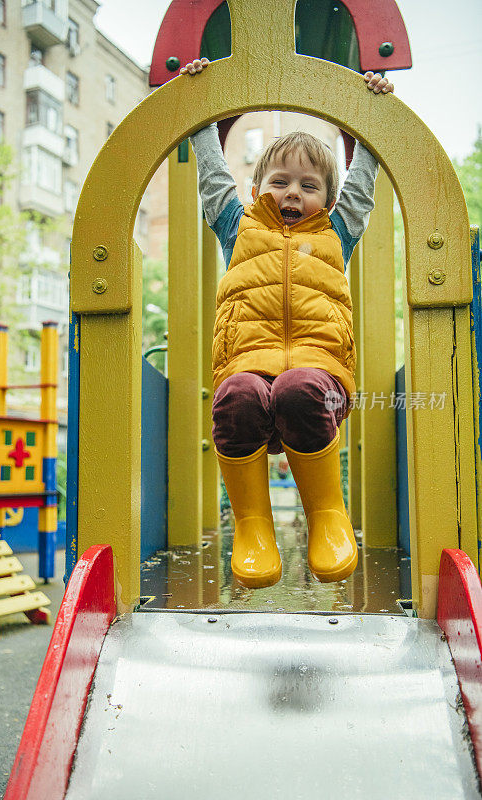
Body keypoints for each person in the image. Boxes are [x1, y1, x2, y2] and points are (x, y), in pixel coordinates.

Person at [180, 58, 394, 589]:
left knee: (300, 390)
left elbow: (363, 184)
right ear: (257, 188)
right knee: (235, 397)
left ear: (328, 197)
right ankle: (253, 528)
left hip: (317, 376)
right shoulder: (237, 227)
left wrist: (369, 110)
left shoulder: (336, 233)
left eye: (309, 184)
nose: (293, 192)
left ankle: (328, 515)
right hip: (249, 369)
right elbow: (211, 177)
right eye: (279, 181)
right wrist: (203, 107)